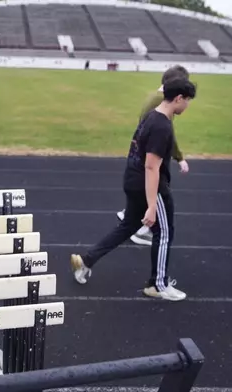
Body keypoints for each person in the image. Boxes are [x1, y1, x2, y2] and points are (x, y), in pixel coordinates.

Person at [70, 77, 197, 301]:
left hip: (132, 179)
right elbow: (151, 166)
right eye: (187, 101)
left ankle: (86, 260)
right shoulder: (162, 126)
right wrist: (151, 206)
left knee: (128, 225)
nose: (187, 105)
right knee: (164, 233)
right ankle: (157, 284)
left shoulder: (151, 116)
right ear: (178, 98)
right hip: (150, 186)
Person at [120, 65, 191, 247]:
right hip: (153, 152)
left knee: (147, 193)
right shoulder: (162, 103)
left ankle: (131, 214)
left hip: (143, 152)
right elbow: (165, 132)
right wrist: (179, 157)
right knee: (157, 192)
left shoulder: (154, 96)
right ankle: (143, 228)